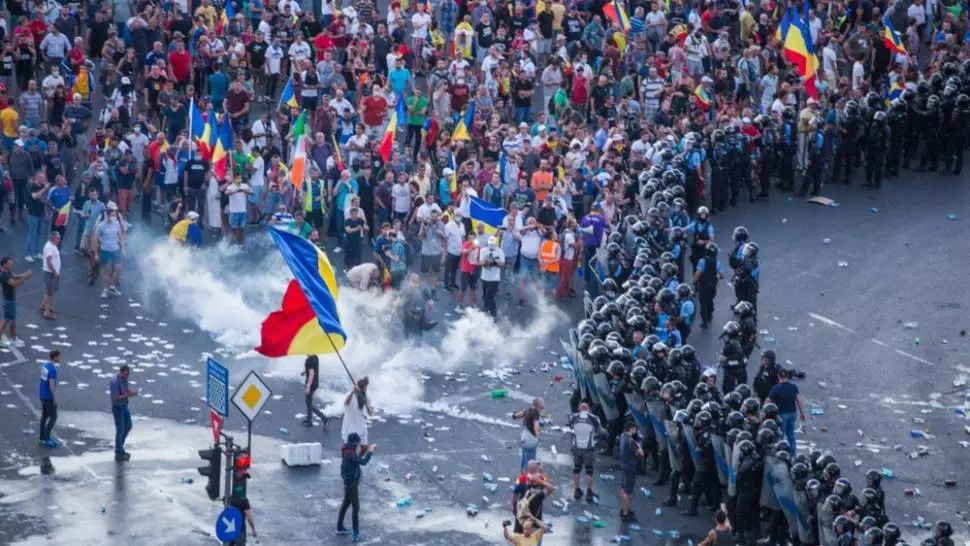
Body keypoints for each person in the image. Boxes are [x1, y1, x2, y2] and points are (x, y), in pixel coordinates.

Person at [337, 432, 374, 542]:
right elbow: (363, 462)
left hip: (349, 482)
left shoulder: (347, 451)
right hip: (352, 484)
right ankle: (356, 533)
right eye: (358, 442)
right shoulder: (350, 453)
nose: (358, 444)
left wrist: (364, 451)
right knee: (355, 508)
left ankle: (339, 527)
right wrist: (370, 451)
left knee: (345, 505)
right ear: (354, 442)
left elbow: (356, 459)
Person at [766, 369, 805, 454]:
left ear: (778, 376)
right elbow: (798, 400)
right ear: (787, 376)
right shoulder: (793, 387)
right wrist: (802, 413)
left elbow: (768, 401)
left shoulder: (776, 388)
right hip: (792, 413)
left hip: (781, 414)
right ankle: (793, 454)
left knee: (781, 435)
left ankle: (781, 453)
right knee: (791, 434)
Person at [91, 201, 125, 299]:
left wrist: (123, 248)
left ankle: (113, 287)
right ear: (107, 214)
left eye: (114, 214)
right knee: (106, 271)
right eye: (112, 215)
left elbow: (120, 235)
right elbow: (95, 238)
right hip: (105, 249)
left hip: (115, 249)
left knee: (118, 269)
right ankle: (105, 290)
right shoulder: (101, 225)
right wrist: (96, 253)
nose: (114, 217)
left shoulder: (117, 222)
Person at [569, 402, 601, 503]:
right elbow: (599, 431)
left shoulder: (573, 417)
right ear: (588, 409)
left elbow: (571, 428)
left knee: (577, 469)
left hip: (576, 447)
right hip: (588, 448)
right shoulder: (594, 418)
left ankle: (577, 490)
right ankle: (589, 492)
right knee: (589, 471)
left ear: (579, 408)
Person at [0, 256, 31, 347]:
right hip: (8, 300)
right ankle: (12, 339)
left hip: (10, 299)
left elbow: (15, 276)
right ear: (5, 264)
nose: (11, 264)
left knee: (11, 320)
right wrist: (25, 276)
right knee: (6, 320)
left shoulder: (7, 272)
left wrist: (24, 274)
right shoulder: (3, 275)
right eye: (10, 263)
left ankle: (14, 338)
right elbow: (15, 284)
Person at [110, 364, 138, 461]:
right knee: (120, 429)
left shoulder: (124, 379)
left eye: (128, 374)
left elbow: (126, 389)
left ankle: (119, 447)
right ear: (121, 372)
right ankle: (119, 452)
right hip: (118, 408)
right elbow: (115, 397)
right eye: (126, 374)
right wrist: (127, 395)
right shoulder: (115, 382)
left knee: (128, 425)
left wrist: (131, 393)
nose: (127, 376)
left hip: (124, 405)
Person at [619, 422, 643, 522]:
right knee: (628, 492)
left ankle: (623, 509)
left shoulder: (622, 436)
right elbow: (641, 453)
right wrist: (639, 444)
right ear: (631, 429)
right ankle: (626, 513)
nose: (636, 431)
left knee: (623, 489)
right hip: (630, 467)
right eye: (635, 429)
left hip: (624, 465)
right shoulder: (631, 441)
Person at [478, 236, 505, 317]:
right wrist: (489, 261)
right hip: (485, 277)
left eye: (493, 245)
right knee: (486, 296)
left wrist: (495, 261)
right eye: (490, 245)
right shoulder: (483, 250)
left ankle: (485, 312)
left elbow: (502, 264)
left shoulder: (500, 251)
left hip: (494, 279)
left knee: (489, 296)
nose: (491, 247)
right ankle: (493, 312)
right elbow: (481, 262)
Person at [341, 377, 373, 445]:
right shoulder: (352, 395)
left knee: (363, 446)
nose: (366, 389)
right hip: (351, 424)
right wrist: (352, 392)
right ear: (361, 388)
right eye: (365, 388)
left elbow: (370, 412)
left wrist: (370, 410)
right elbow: (346, 403)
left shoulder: (366, 396)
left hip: (360, 423)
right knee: (351, 446)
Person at [515, 397, 544, 471]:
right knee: (531, 462)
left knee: (524, 459)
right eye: (542, 403)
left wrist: (514, 416)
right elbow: (536, 426)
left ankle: (522, 476)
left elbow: (520, 414)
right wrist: (537, 438)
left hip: (524, 438)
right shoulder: (535, 413)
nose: (544, 404)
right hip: (530, 440)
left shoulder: (528, 410)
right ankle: (528, 478)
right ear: (538, 405)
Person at [38, 350, 60, 447]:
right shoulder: (53, 369)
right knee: (53, 417)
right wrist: (55, 397)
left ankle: (42, 437)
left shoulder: (45, 366)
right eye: (58, 357)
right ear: (54, 357)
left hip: (42, 394)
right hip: (48, 397)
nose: (59, 359)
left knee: (44, 416)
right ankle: (47, 438)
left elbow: (43, 380)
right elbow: (51, 385)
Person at [302, 355, 328, 427]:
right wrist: (305, 372)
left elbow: (311, 373)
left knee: (309, 404)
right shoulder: (315, 357)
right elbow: (313, 369)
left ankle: (324, 418)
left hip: (311, 384)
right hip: (315, 383)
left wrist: (308, 386)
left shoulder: (309, 360)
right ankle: (309, 419)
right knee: (309, 402)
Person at [40, 231, 61, 320]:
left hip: (51, 272)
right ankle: (46, 312)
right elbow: (49, 262)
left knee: (49, 291)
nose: (59, 240)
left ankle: (43, 305)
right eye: (58, 238)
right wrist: (55, 272)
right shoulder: (49, 247)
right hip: (50, 272)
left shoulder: (52, 245)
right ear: (53, 238)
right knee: (49, 292)